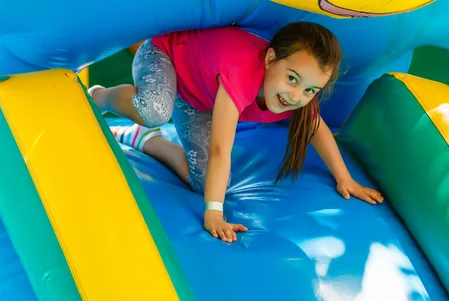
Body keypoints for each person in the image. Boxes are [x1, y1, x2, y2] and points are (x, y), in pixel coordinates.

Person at [89, 22, 383, 243]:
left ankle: (144, 139)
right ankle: (101, 97)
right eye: (292, 79)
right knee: (154, 110)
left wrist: (345, 179)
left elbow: (316, 127)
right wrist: (214, 213)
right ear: (270, 60)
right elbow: (220, 149)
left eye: (310, 89)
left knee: (206, 184)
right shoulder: (241, 75)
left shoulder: (295, 94)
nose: (296, 96)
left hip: (200, 98)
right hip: (165, 58)